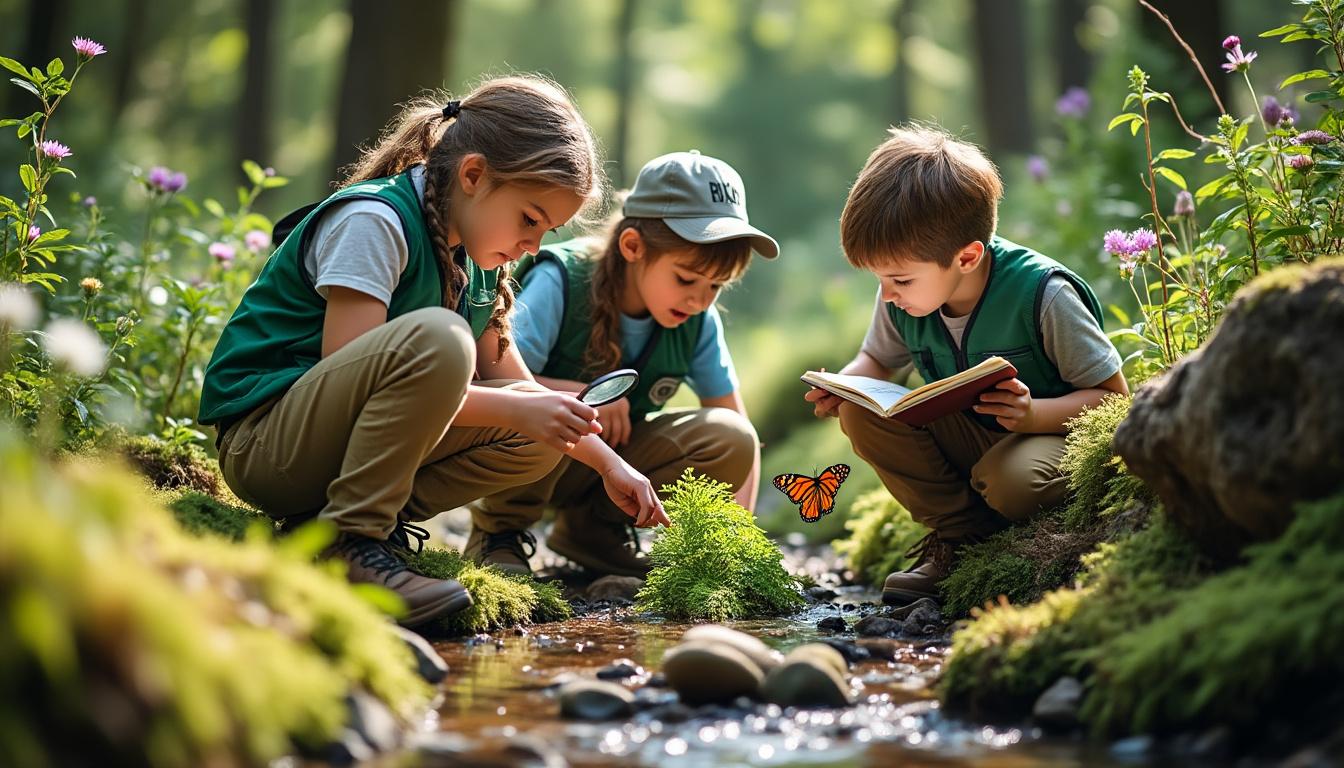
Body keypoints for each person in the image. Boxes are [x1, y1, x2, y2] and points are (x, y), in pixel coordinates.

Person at [198, 76, 667, 628]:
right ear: (473, 175)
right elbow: (347, 368)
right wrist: (515, 407)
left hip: (327, 452)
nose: (534, 245)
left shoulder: (478, 262)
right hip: (268, 444)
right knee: (445, 339)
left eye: (549, 229)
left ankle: (337, 526)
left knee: (539, 436)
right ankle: (351, 545)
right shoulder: (375, 222)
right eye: (529, 219)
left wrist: (612, 465)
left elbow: (518, 389)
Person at [808, 124, 1129, 606]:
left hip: (1051, 439)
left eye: (899, 279)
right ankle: (961, 540)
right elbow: (877, 359)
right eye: (879, 279)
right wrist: (848, 386)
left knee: (1010, 480)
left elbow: (1113, 401)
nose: (888, 294)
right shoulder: (900, 297)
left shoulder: (1043, 295)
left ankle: (1039, 539)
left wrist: (1033, 415)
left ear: (967, 256)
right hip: (973, 442)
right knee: (861, 412)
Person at [469, 150, 777, 578]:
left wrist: (738, 545)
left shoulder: (697, 318)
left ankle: (595, 529)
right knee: (548, 410)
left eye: (716, 286)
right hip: (529, 457)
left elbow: (734, 423)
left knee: (732, 437)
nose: (700, 300)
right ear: (632, 246)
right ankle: (498, 533)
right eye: (686, 279)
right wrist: (581, 398)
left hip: (609, 469)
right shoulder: (561, 281)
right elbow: (490, 379)